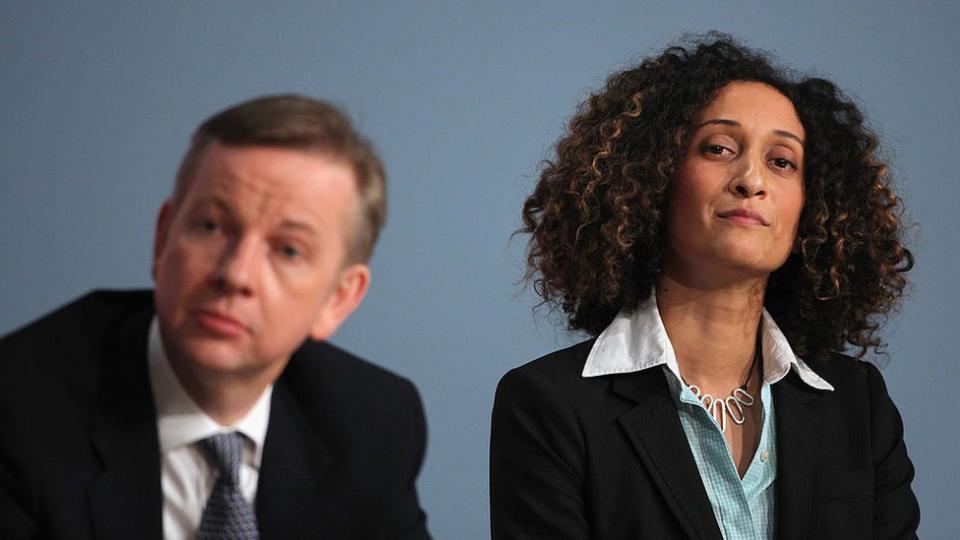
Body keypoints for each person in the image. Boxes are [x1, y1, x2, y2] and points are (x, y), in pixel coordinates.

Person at [491, 35, 919, 539]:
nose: (750, 180)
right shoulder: (550, 405)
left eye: (782, 161)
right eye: (718, 148)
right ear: (652, 177)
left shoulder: (858, 404)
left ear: (811, 205)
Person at [0, 95, 431, 539]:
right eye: (211, 226)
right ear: (163, 238)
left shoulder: (371, 424)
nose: (235, 275)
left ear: (338, 300)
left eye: (287, 250)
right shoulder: (17, 411)